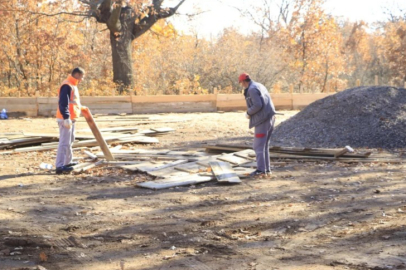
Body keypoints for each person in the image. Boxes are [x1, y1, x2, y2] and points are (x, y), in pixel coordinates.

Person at [239, 73, 276, 178]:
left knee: (258, 146)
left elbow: (258, 105)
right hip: (270, 117)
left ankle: (261, 170)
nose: (241, 85)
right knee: (264, 145)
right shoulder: (259, 85)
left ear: (243, 82)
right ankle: (266, 170)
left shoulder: (252, 89)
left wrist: (248, 113)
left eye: (241, 83)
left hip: (262, 120)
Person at [55, 67, 87, 174]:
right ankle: (59, 166)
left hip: (71, 118)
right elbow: (63, 103)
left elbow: (73, 102)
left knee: (70, 141)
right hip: (66, 119)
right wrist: (66, 117)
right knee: (64, 142)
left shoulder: (73, 85)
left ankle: (68, 162)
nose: (82, 79)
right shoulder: (67, 85)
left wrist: (80, 107)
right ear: (77, 75)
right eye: (82, 76)